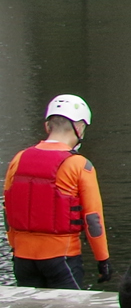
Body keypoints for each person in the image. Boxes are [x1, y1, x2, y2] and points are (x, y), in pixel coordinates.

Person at [5, 95, 109, 289]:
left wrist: (15, 245)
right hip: (62, 257)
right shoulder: (79, 164)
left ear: (47, 126)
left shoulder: (18, 158)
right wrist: (102, 259)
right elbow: (93, 219)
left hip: (22, 259)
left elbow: (7, 211)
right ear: (79, 128)